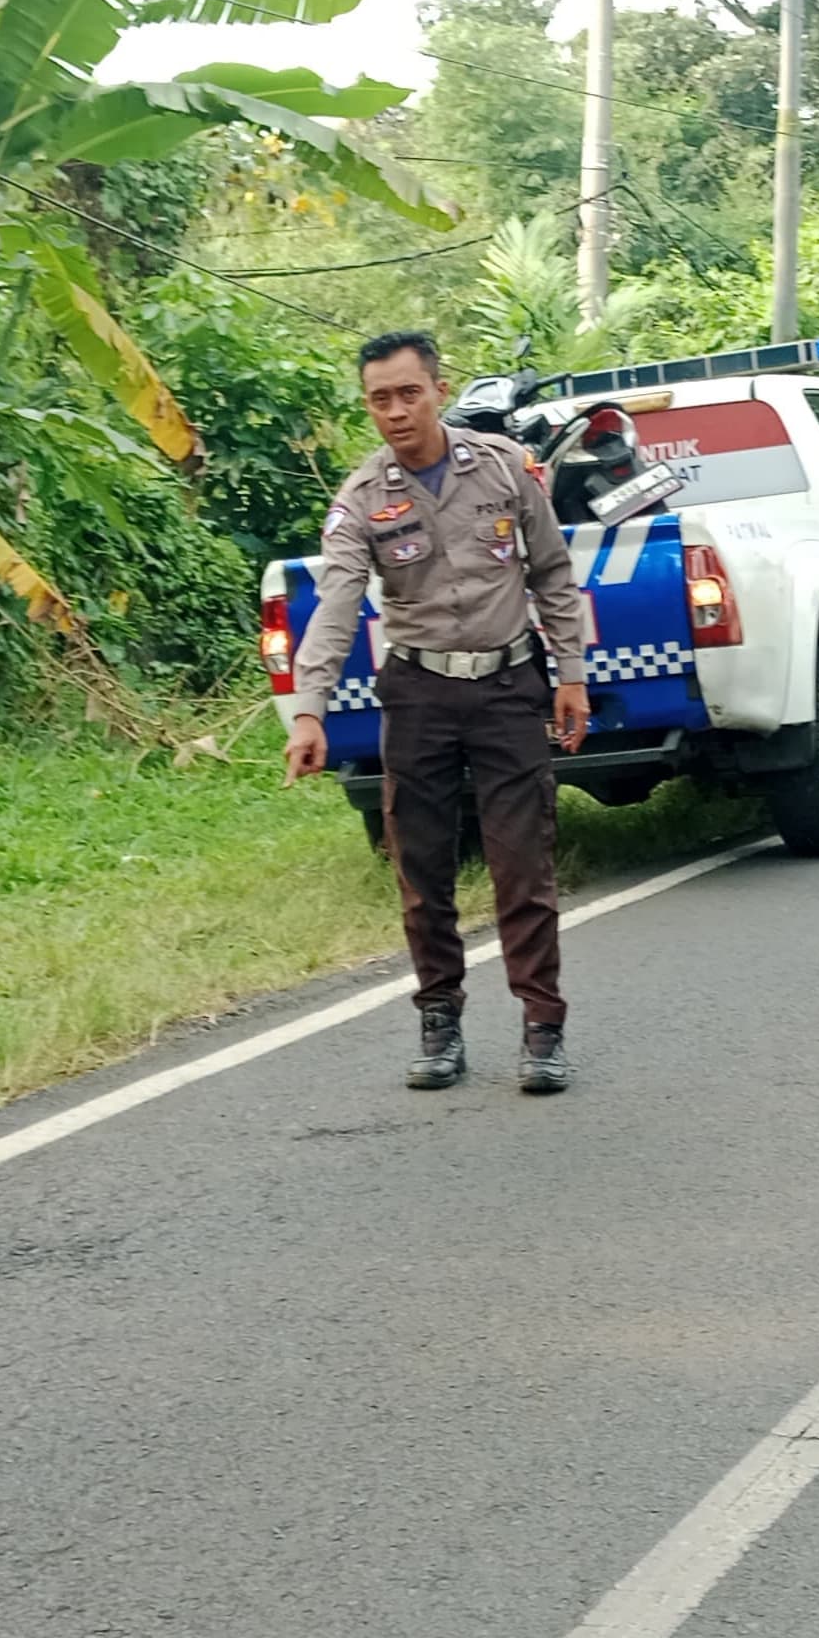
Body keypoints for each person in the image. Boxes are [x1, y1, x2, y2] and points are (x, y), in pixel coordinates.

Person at [285, 332, 593, 1094]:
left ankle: (542, 1026)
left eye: (407, 393)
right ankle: (440, 1019)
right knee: (422, 870)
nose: (394, 411)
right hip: (418, 695)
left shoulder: (501, 468)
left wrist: (572, 675)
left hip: (506, 689)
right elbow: (336, 605)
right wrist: (309, 709)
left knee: (523, 866)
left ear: (436, 389)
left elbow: (552, 573)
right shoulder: (361, 498)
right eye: (378, 399)